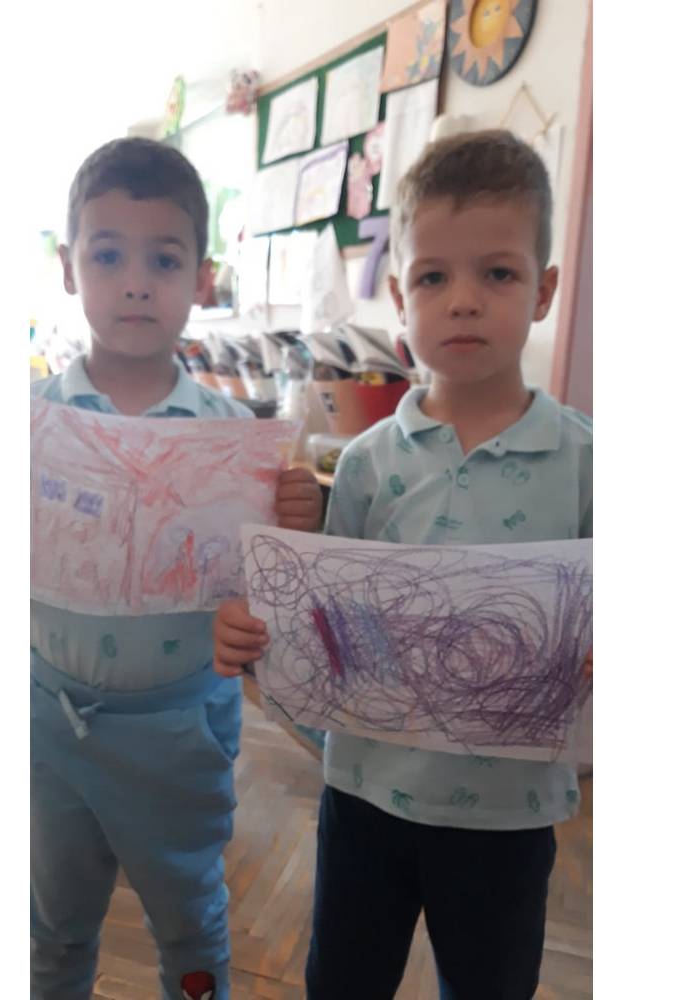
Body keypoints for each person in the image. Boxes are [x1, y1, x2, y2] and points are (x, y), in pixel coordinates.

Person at [213, 130, 592, 1000]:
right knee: (344, 982)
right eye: (432, 278)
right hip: (365, 793)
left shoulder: (586, 462)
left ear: (543, 291)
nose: (463, 302)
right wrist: (255, 633)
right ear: (398, 296)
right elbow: (322, 630)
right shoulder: (365, 463)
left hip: (510, 814)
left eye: (497, 274)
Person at [30, 137, 323, 1000]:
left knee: (189, 924)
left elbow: (270, 597)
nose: (135, 283)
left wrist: (293, 524)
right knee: (53, 922)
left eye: (163, 260)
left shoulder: (236, 439)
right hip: (49, 719)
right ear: (69, 268)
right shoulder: (31, 422)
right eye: (107, 255)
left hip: (178, 729)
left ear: (201, 278)